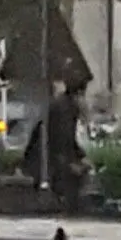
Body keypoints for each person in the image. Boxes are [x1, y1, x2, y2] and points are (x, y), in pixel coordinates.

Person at [21, 77, 87, 209]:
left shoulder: (64, 105)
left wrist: (80, 154)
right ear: (78, 94)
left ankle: (63, 201)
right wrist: (74, 160)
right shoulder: (66, 109)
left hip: (43, 154)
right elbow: (62, 140)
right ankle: (63, 203)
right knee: (72, 177)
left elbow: (67, 140)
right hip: (45, 157)